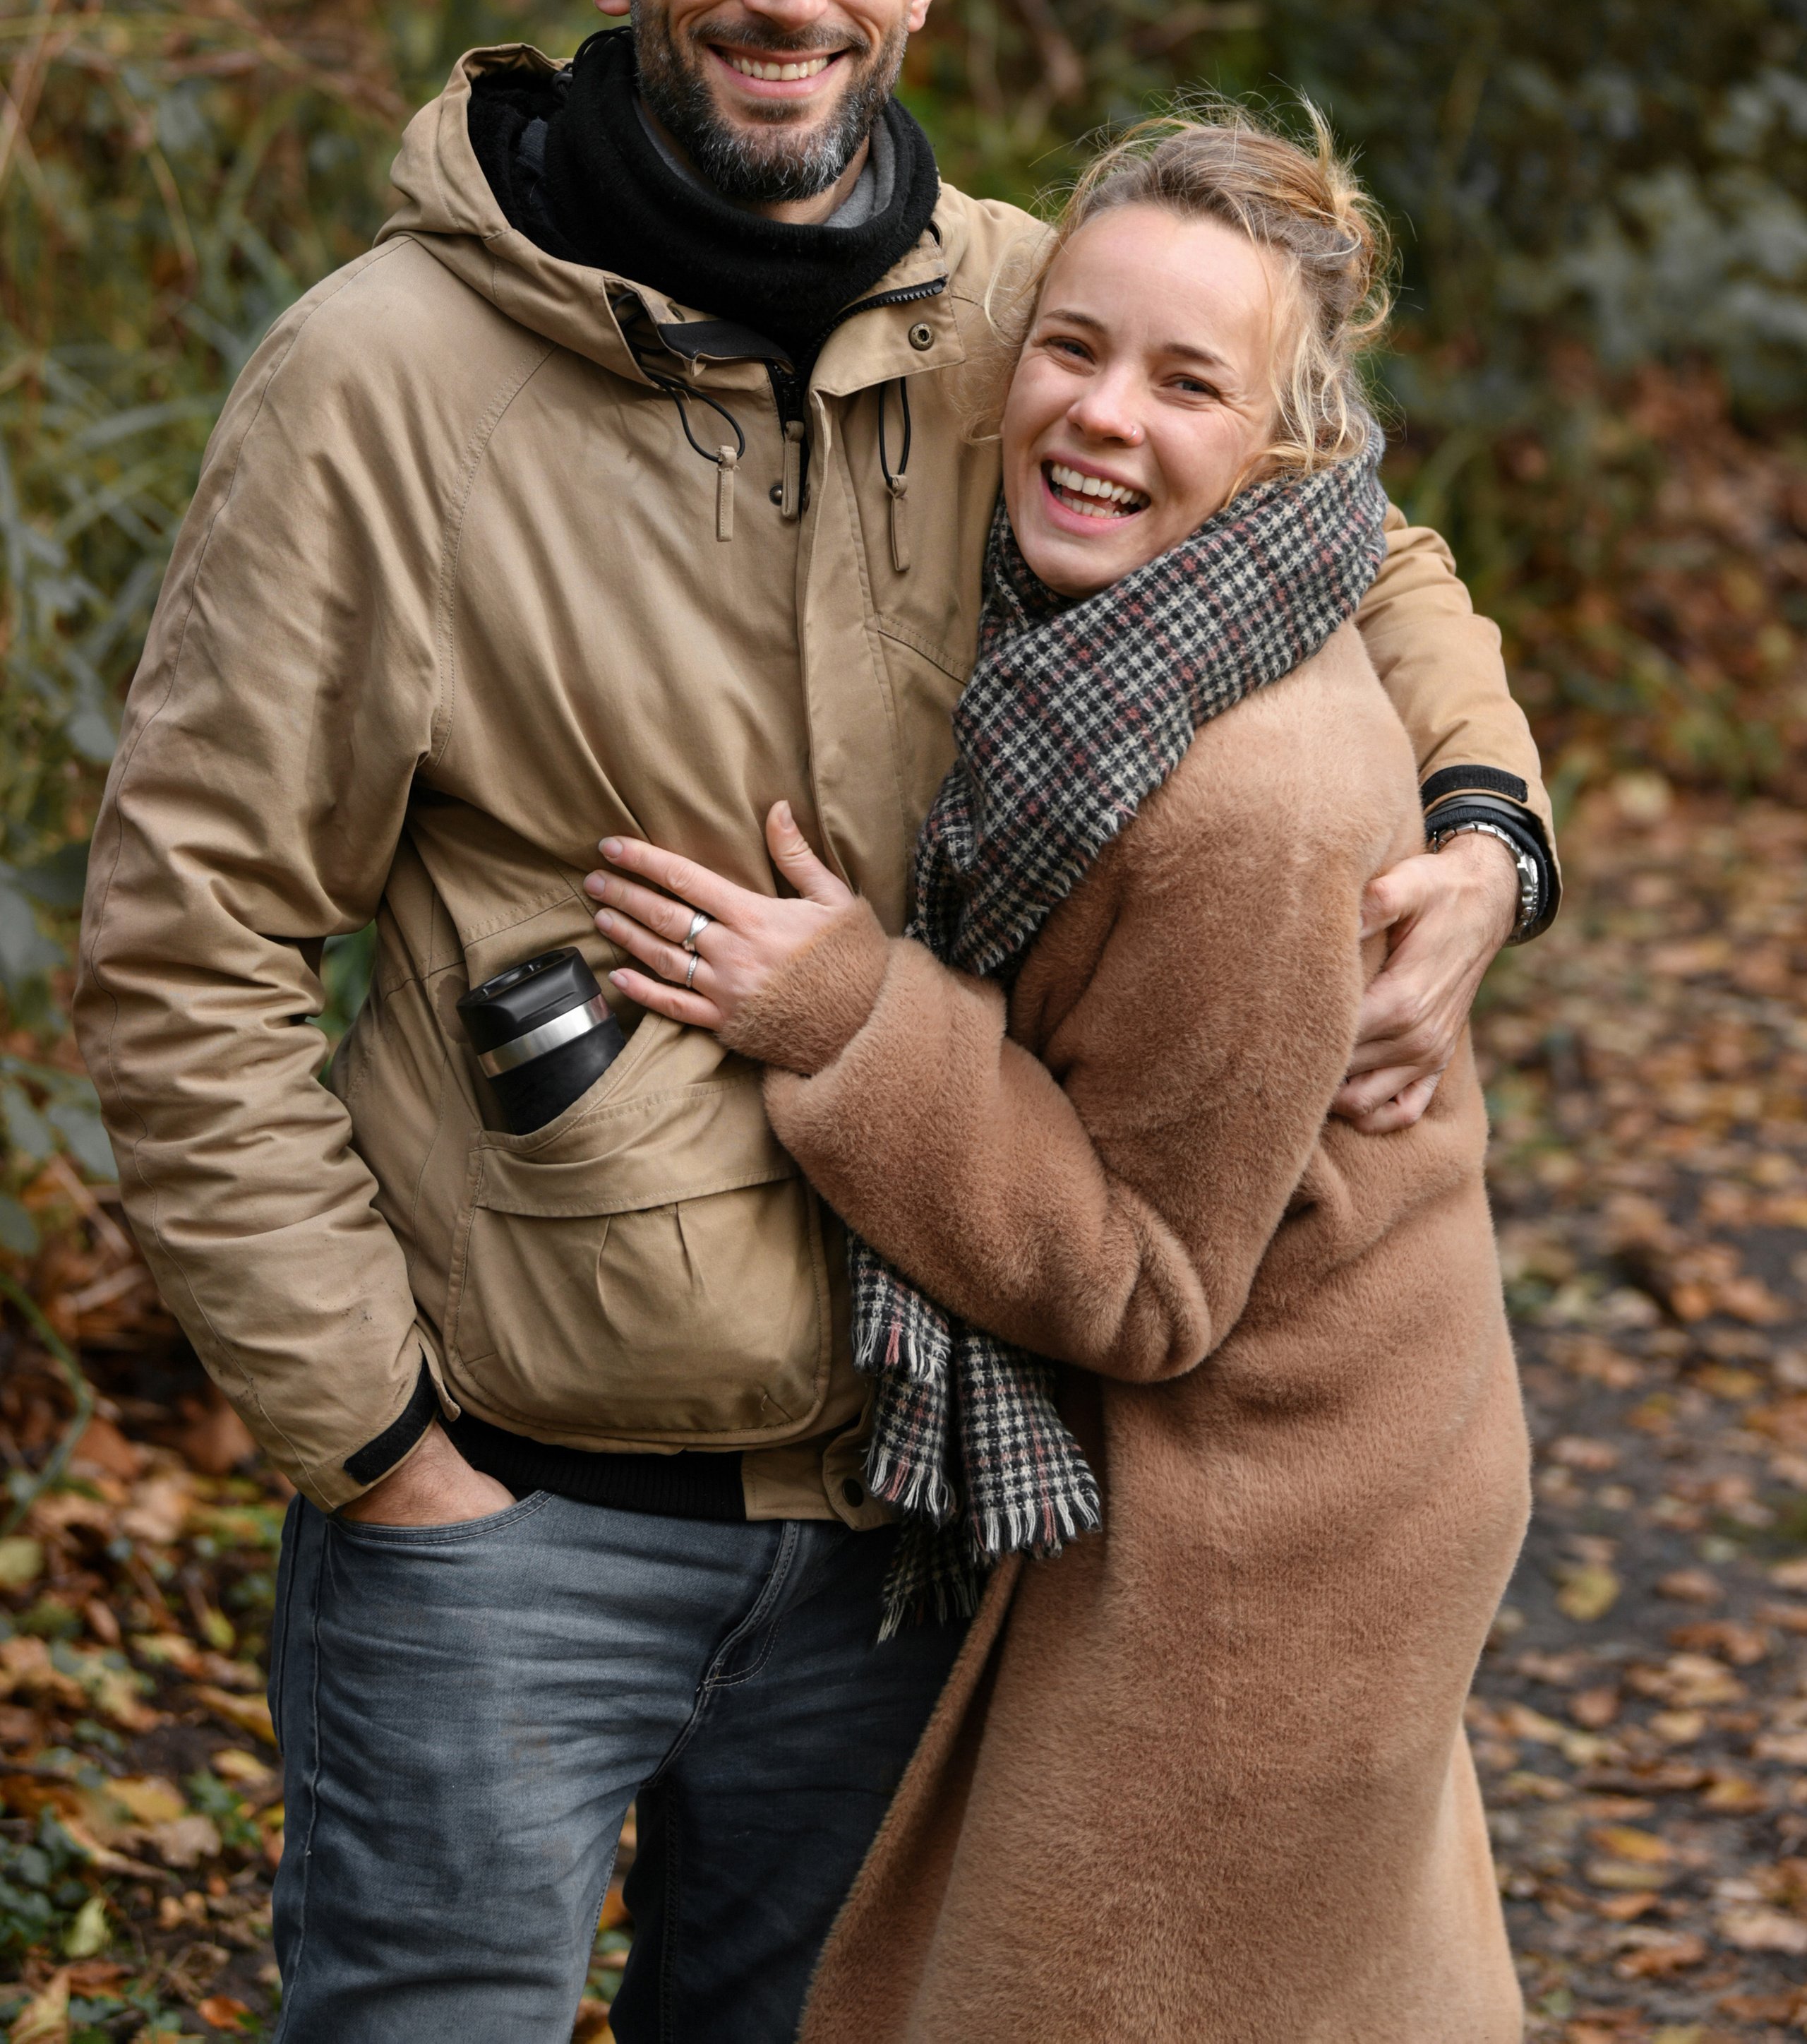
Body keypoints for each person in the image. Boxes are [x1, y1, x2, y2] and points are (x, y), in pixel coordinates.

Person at [74, 0, 1550, 2042]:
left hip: (910, 1524)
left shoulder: (1024, 311)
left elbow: (1351, 533)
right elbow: (187, 948)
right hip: (512, 1521)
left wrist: (1485, 829)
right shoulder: (382, 382)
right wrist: (375, 1444)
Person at [585, 107, 1531, 2043]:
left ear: (1280, 446)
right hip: (1299, 1439)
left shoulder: (1252, 801)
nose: (1104, 412)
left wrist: (851, 1013)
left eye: (1190, 384)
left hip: (1276, 1506)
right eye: (1077, 351)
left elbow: (1148, 1285)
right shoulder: (1152, 596)